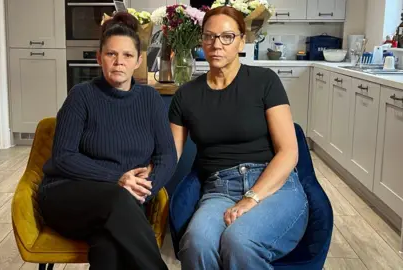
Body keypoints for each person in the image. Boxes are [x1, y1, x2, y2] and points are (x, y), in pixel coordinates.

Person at [169, 6, 309, 270]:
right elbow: (170, 154)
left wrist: (251, 198)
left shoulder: (264, 81)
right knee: (196, 244)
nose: (216, 44)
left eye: (227, 37)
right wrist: (138, 173)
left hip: (272, 186)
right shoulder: (185, 95)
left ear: (242, 40)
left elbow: (289, 151)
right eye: (209, 36)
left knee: (239, 241)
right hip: (219, 189)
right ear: (201, 40)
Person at [37, 12, 177, 270]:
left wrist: (142, 192)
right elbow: (64, 157)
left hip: (123, 204)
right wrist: (118, 178)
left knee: (109, 248)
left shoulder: (149, 100)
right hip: (67, 196)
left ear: (138, 61)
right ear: (100, 58)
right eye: (111, 54)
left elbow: (167, 156)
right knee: (117, 200)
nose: (118, 62)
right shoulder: (81, 96)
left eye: (127, 55)